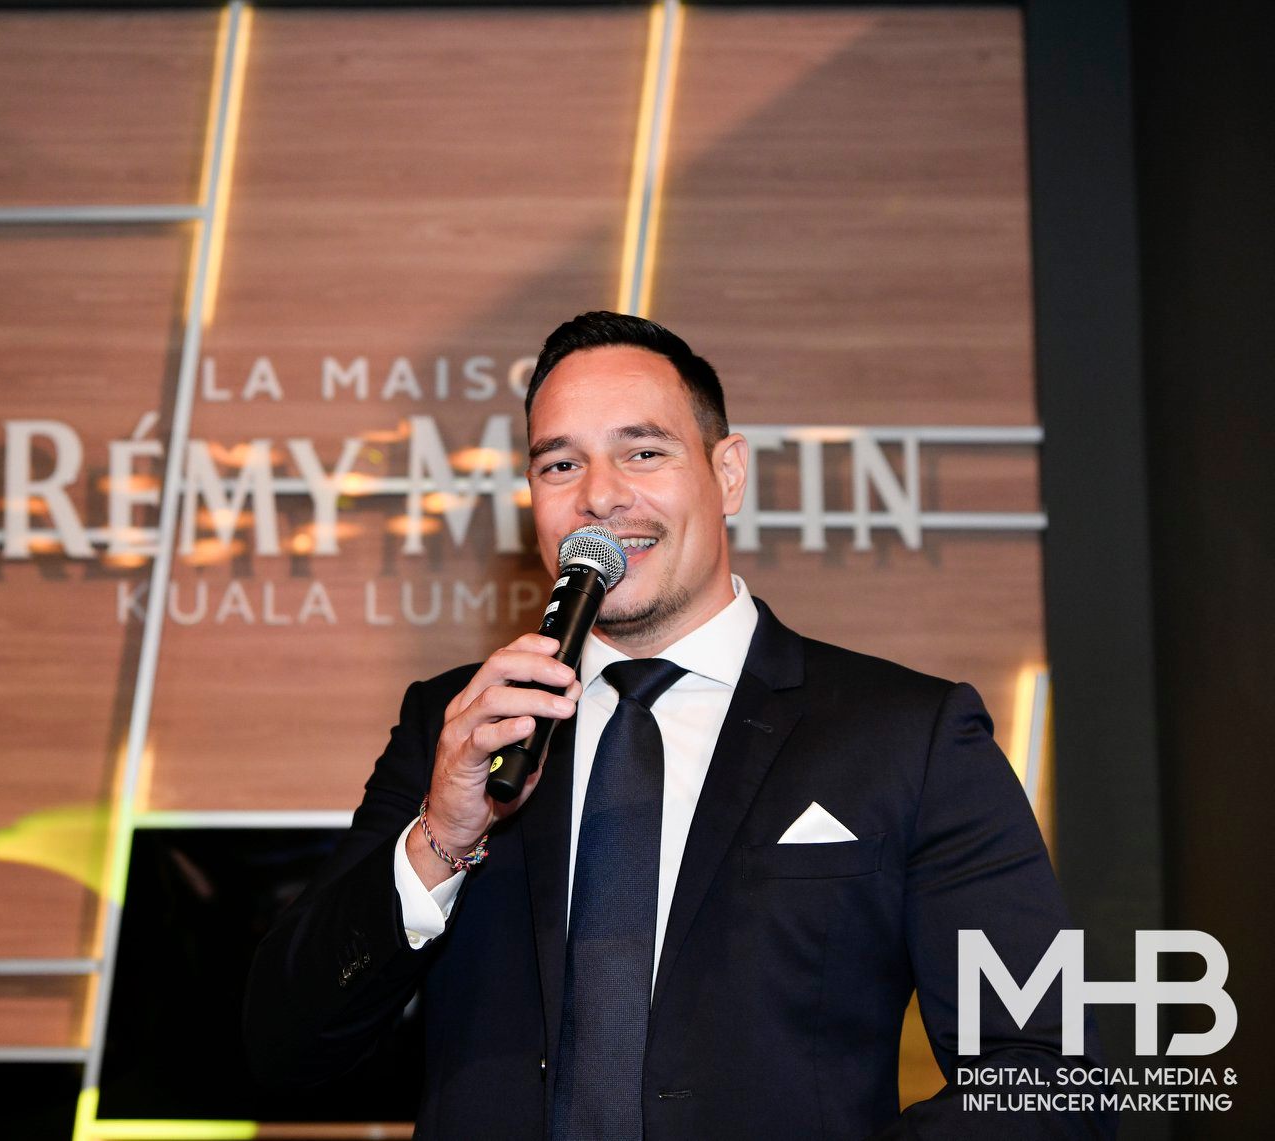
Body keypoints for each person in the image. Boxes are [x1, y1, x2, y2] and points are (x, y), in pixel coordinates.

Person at [244, 312, 1111, 1138]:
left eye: (644, 452)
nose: (600, 496)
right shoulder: (461, 727)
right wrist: (442, 834)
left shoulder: (906, 736)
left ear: (727, 473)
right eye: (560, 464)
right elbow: (284, 1046)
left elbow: (1046, 1074)